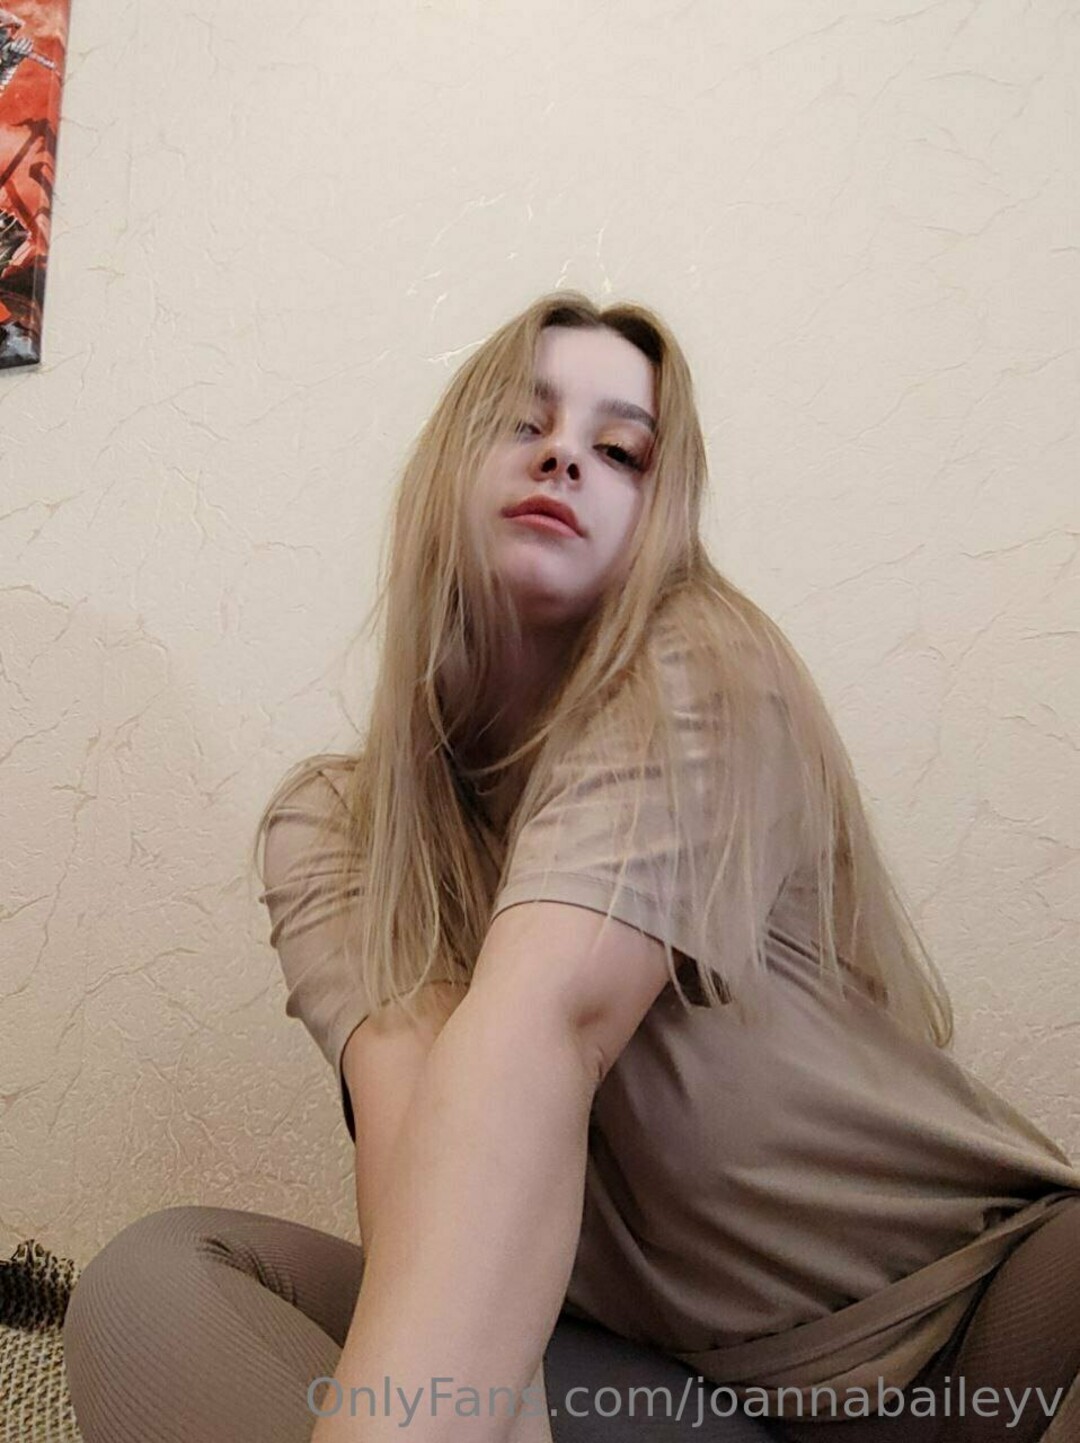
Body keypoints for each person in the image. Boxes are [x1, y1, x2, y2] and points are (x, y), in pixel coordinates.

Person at [62, 292, 1080, 1442]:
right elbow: (425, 1172)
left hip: (984, 1347)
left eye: (621, 450)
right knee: (160, 1284)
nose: (565, 456)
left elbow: (549, 1020)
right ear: (445, 470)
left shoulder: (701, 662)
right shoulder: (338, 827)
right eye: (525, 422)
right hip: (669, 1398)